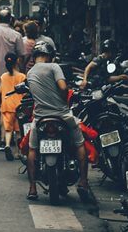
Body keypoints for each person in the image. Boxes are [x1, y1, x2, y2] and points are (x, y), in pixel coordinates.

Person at [26, 41, 92, 202]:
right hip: (62, 116)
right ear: (49, 56)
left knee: (32, 149)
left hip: (41, 117)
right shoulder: (54, 67)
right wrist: (62, 100)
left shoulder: (29, 73)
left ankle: (32, 187)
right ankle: (83, 182)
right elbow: (63, 87)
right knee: (79, 144)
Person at [0, 9, 26, 148]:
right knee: (8, 106)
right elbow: (22, 56)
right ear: (10, 20)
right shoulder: (16, 35)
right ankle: (5, 136)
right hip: (10, 76)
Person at [0, 52, 26, 161]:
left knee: (8, 130)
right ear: (17, 62)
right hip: (19, 106)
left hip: (6, 105)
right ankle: (18, 152)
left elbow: (0, 90)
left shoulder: (3, 77)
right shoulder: (22, 76)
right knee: (18, 131)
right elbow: (25, 92)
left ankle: (7, 145)